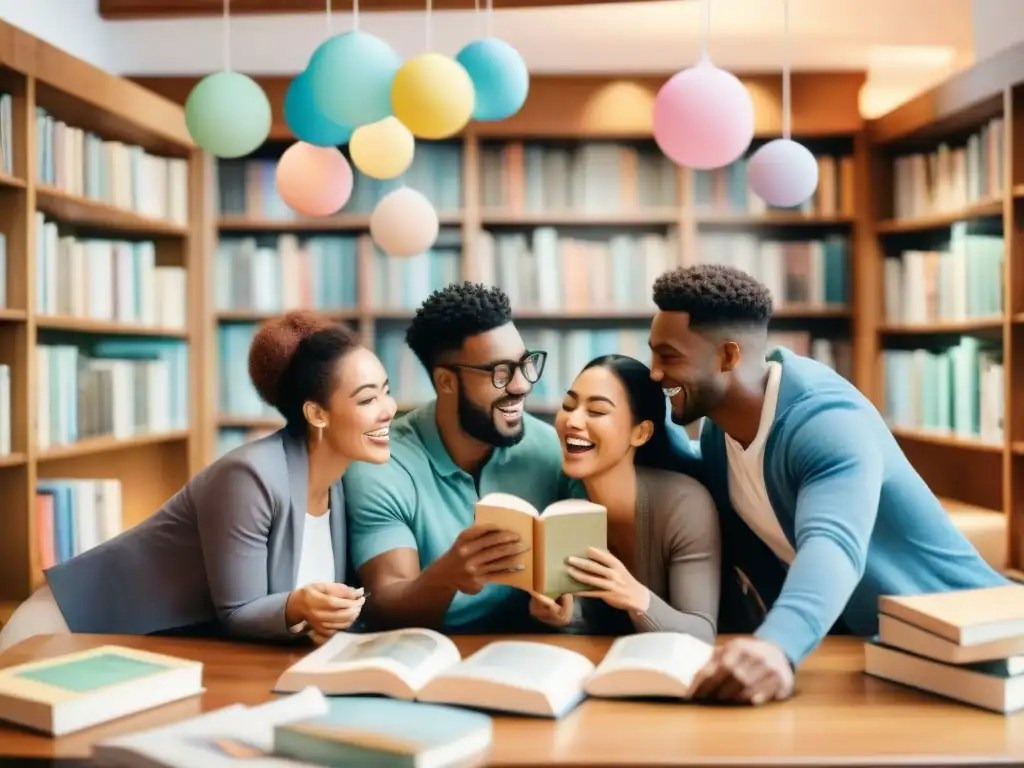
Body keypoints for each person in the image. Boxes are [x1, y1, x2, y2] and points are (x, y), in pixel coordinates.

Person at [647, 263, 1010, 706]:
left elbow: (832, 543)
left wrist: (776, 645)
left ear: (728, 357)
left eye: (668, 357)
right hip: (874, 658)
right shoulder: (718, 435)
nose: (654, 372)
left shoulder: (828, 422)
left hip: (981, 653)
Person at [0, 311, 395, 651]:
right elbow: (238, 611)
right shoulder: (250, 476)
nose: (388, 410)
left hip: (155, 649)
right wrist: (299, 605)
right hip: (70, 630)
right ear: (317, 414)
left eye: (386, 393)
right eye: (367, 400)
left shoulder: (341, 483)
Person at [344, 282, 568, 633]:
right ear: (446, 382)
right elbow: (385, 605)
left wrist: (568, 605)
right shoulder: (382, 466)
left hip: (532, 654)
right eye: (500, 373)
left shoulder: (552, 449)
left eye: (526, 364)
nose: (522, 385)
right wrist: (446, 577)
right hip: (428, 654)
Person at [528, 354, 720, 645]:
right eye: (568, 406)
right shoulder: (568, 501)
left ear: (641, 433)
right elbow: (601, 619)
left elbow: (701, 632)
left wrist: (635, 596)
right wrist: (565, 615)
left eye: (596, 411)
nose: (573, 420)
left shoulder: (685, 505)